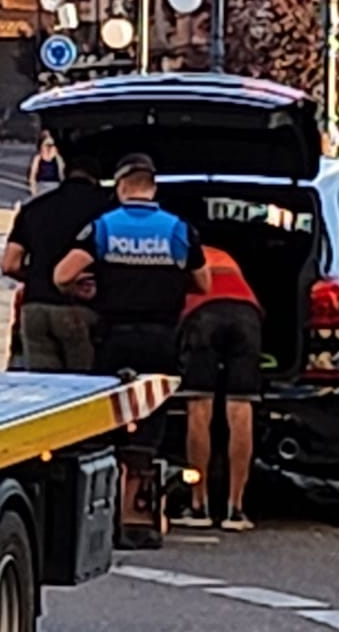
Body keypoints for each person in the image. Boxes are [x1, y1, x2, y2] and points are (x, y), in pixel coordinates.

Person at [55, 152, 209, 538]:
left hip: (116, 338)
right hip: (161, 339)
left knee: (111, 421)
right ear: (152, 187)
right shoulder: (178, 230)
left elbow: (62, 275)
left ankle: (104, 510)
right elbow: (203, 284)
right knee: (150, 425)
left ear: (122, 186)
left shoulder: (104, 227)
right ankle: (138, 514)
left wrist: (82, 288)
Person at [177, 244, 264, 533]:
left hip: (203, 315)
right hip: (247, 314)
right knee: (240, 406)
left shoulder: (178, 248)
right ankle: (236, 509)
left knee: (200, 406)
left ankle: (198, 505)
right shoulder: (225, 256)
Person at [2, 156, 108, 373]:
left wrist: (37, 277)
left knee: (43, 387)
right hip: (79, 309)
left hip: (35, 308)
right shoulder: (106, 210)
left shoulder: (34, 208)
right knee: (82, 387)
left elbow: (9, 264)